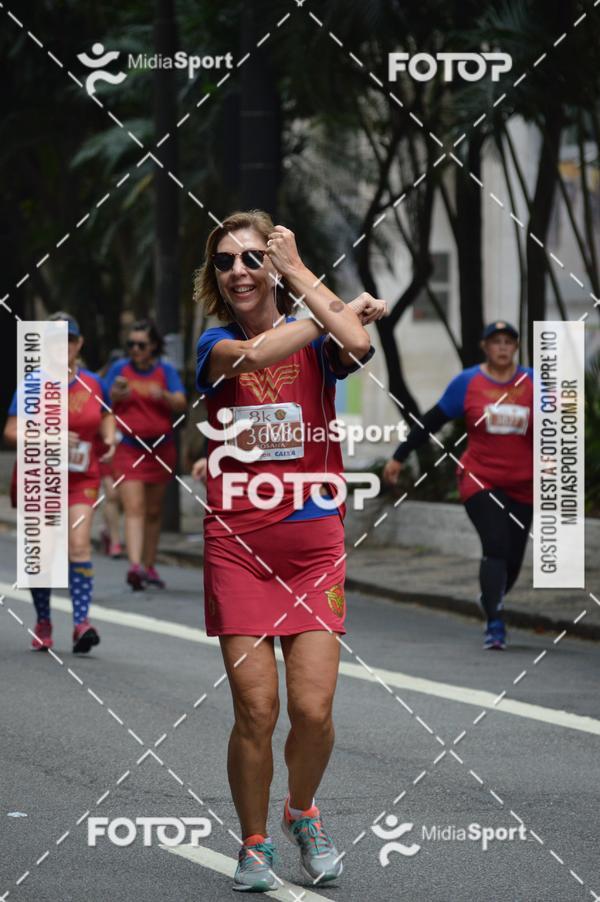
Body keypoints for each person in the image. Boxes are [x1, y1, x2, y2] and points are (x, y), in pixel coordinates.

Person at [194, 209, 386, 893]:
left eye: (252, 258)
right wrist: (341, 307)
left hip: (313, 549)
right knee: (257, 710)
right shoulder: (213, 345)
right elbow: (256, 357)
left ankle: (302, 812)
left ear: (273, 266)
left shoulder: (317, 341)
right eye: (225, 262)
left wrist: (306, 274)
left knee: (312, 710)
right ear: (215, 278)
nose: (239, 272)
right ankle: (253, 844)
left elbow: (356, 346)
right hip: (238, 548)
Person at [384, 321, 533, 650]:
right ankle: (495, 623)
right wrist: (399, 456)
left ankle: (491, 597)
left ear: (516, 347)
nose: (503, 347)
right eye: (496, 341)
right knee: (496, 544)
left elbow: (560, 428)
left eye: (509, 341)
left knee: (513, 561)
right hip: (481, 478)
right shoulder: (468, 383)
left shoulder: (534, 381)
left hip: (525, 485)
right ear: (485, 346)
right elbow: (432, 421)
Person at [3, 312, 116, 653]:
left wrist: (109, 439)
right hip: (41, 478)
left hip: (82, 477)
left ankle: (82, 624)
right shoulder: (33, 383)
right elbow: (11, 431)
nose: (62, 346)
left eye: (69, 339)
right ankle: (43, 621)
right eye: (55, 340)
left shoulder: (94, 384)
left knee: (79, 544)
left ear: (78, 343)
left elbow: (107, 413)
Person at [104, 320, 187, 590]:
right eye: (131, 345)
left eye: (141, 344)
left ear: (153, 346)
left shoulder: (165, 370)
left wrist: (161, 394)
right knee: (134, 508)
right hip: (129, 447)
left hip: (160, 448)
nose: (135, 350)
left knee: (153, 511)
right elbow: (102, 401)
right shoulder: (120, 369)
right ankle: (135, 567)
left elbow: (181, 401)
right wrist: (115, 394)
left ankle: (149, 566)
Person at [96, 350, 125, 559]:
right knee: (112, 493)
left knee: (124, 498)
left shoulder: (134, 387)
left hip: (129, 448)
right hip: (106, 446)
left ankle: (107, 531)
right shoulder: (98, 386)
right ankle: (115, 541)